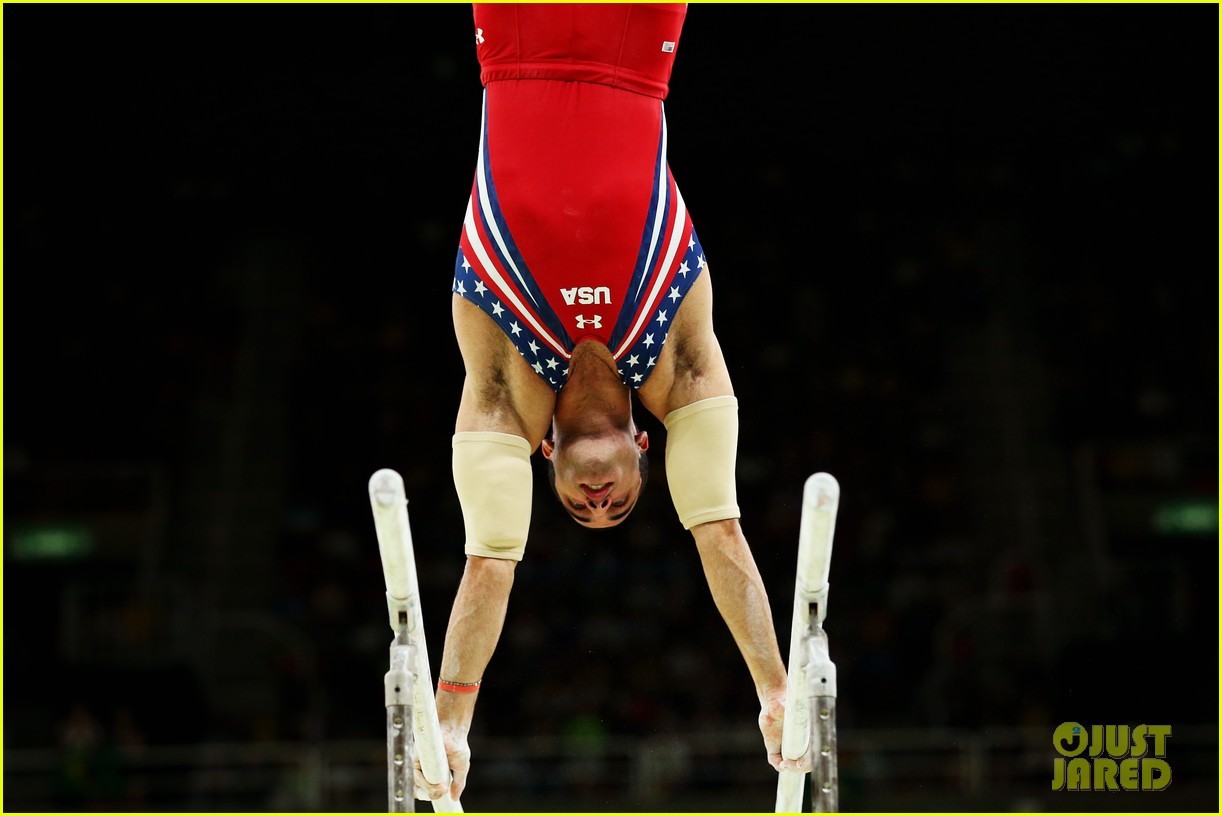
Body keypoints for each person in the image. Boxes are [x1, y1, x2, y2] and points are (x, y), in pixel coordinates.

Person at [419, 3, 811, 802]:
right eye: (619, 508)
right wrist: (776, 688)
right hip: (635, 54)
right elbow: (719, 529)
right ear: (644, 453)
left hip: (517, 47)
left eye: (578, 508)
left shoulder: (502, 390)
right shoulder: (678, 365)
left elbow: (490, 559)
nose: (597, 504)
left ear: (545, 460)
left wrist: (450, 719)